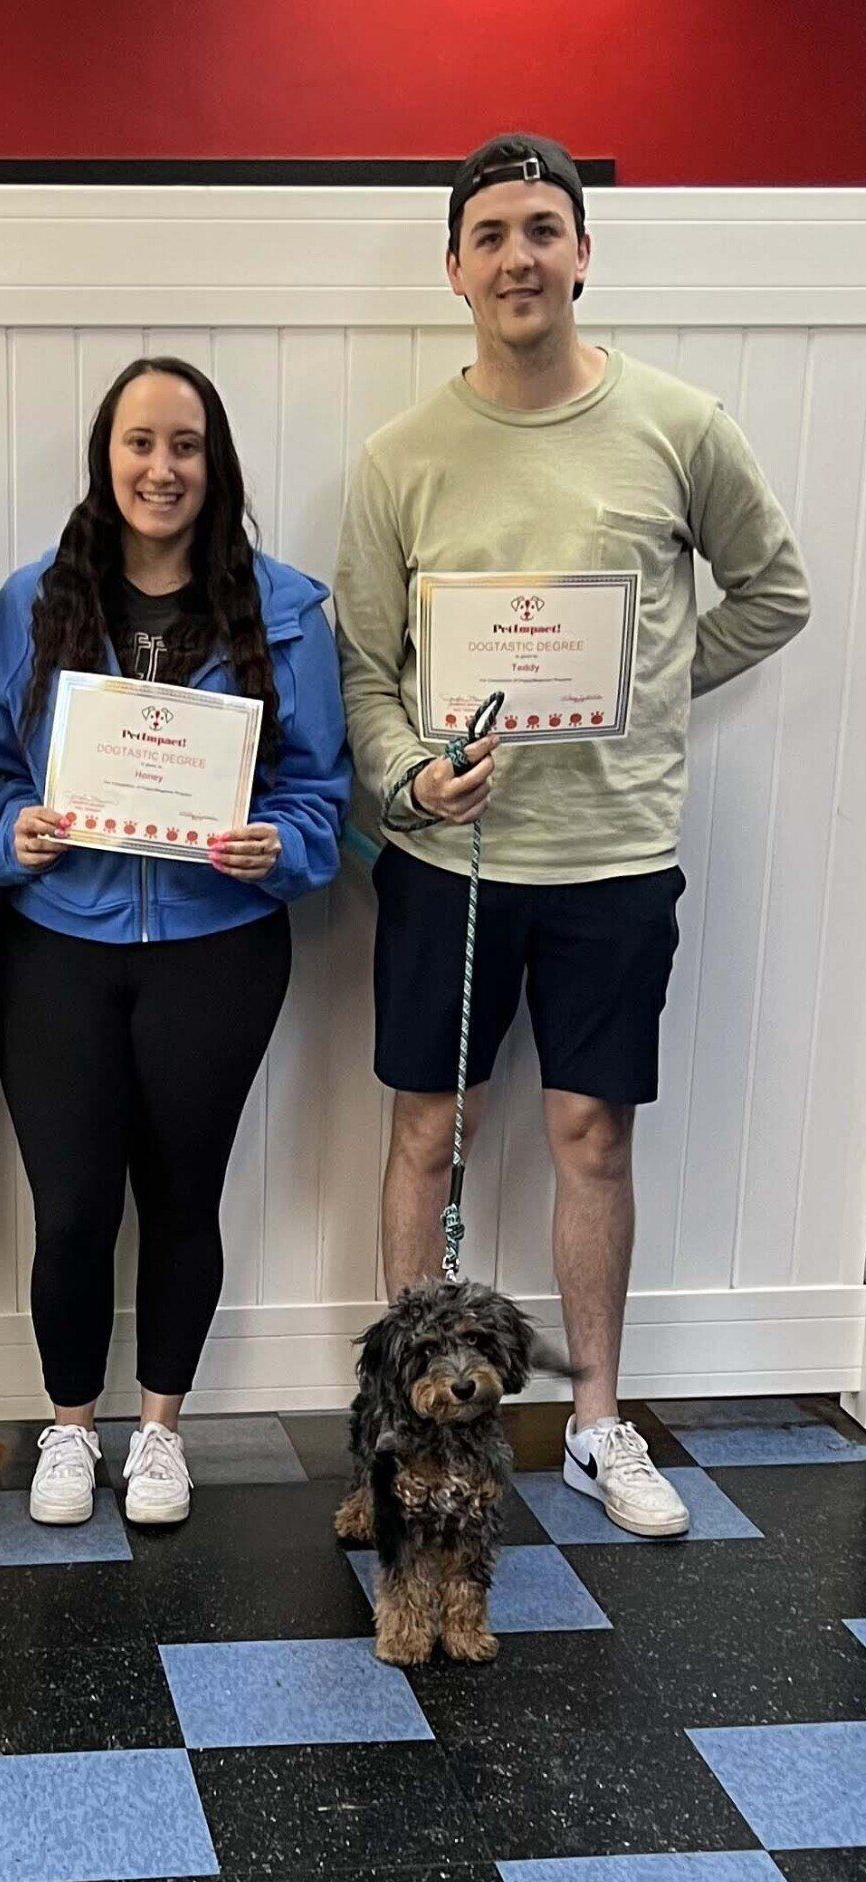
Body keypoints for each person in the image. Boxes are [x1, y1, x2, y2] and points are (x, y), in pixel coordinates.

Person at [336, 133, 811, 1539]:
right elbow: (368, 669)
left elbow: (770, 597)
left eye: (544, 229)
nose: (519, 257)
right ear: (455, 271)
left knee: (591, 1135)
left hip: (614, 858)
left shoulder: (679, 423)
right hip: (448, 865)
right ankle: (400, 1433)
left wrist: (647, 690)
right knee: (433, 1131)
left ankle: (598, 1419)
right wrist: (414, 782)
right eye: (490, 236)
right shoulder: (399, 460)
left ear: (585, 252)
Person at [0, 357, 350, 1526]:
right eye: (140, 443)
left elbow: (320, 793)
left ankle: (162, 1430)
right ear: (106, 457)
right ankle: (73, 1428)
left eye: (184, 446)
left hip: (218, 948)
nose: (161, 468)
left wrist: (274, 848)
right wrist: (8, 833)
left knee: (185, 1196)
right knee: (73, 1205)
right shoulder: (32, 602)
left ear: (214, 463)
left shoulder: (287, 609)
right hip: (58, 948)